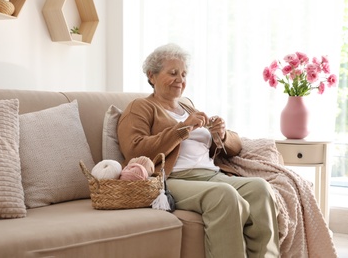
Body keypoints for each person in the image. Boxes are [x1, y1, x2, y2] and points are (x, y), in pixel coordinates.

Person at [117, 43, 280, 258]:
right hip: (173, 178)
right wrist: (183, 128)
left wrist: (220, 135)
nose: (180, 79)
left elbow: (234, 147)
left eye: (184, 74)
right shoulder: (141, 107)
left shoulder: (188, 108)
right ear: (152, 75)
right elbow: (134, 150)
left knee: (261, 188)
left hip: (210, 174)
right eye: (173, 73)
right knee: (225, 195)